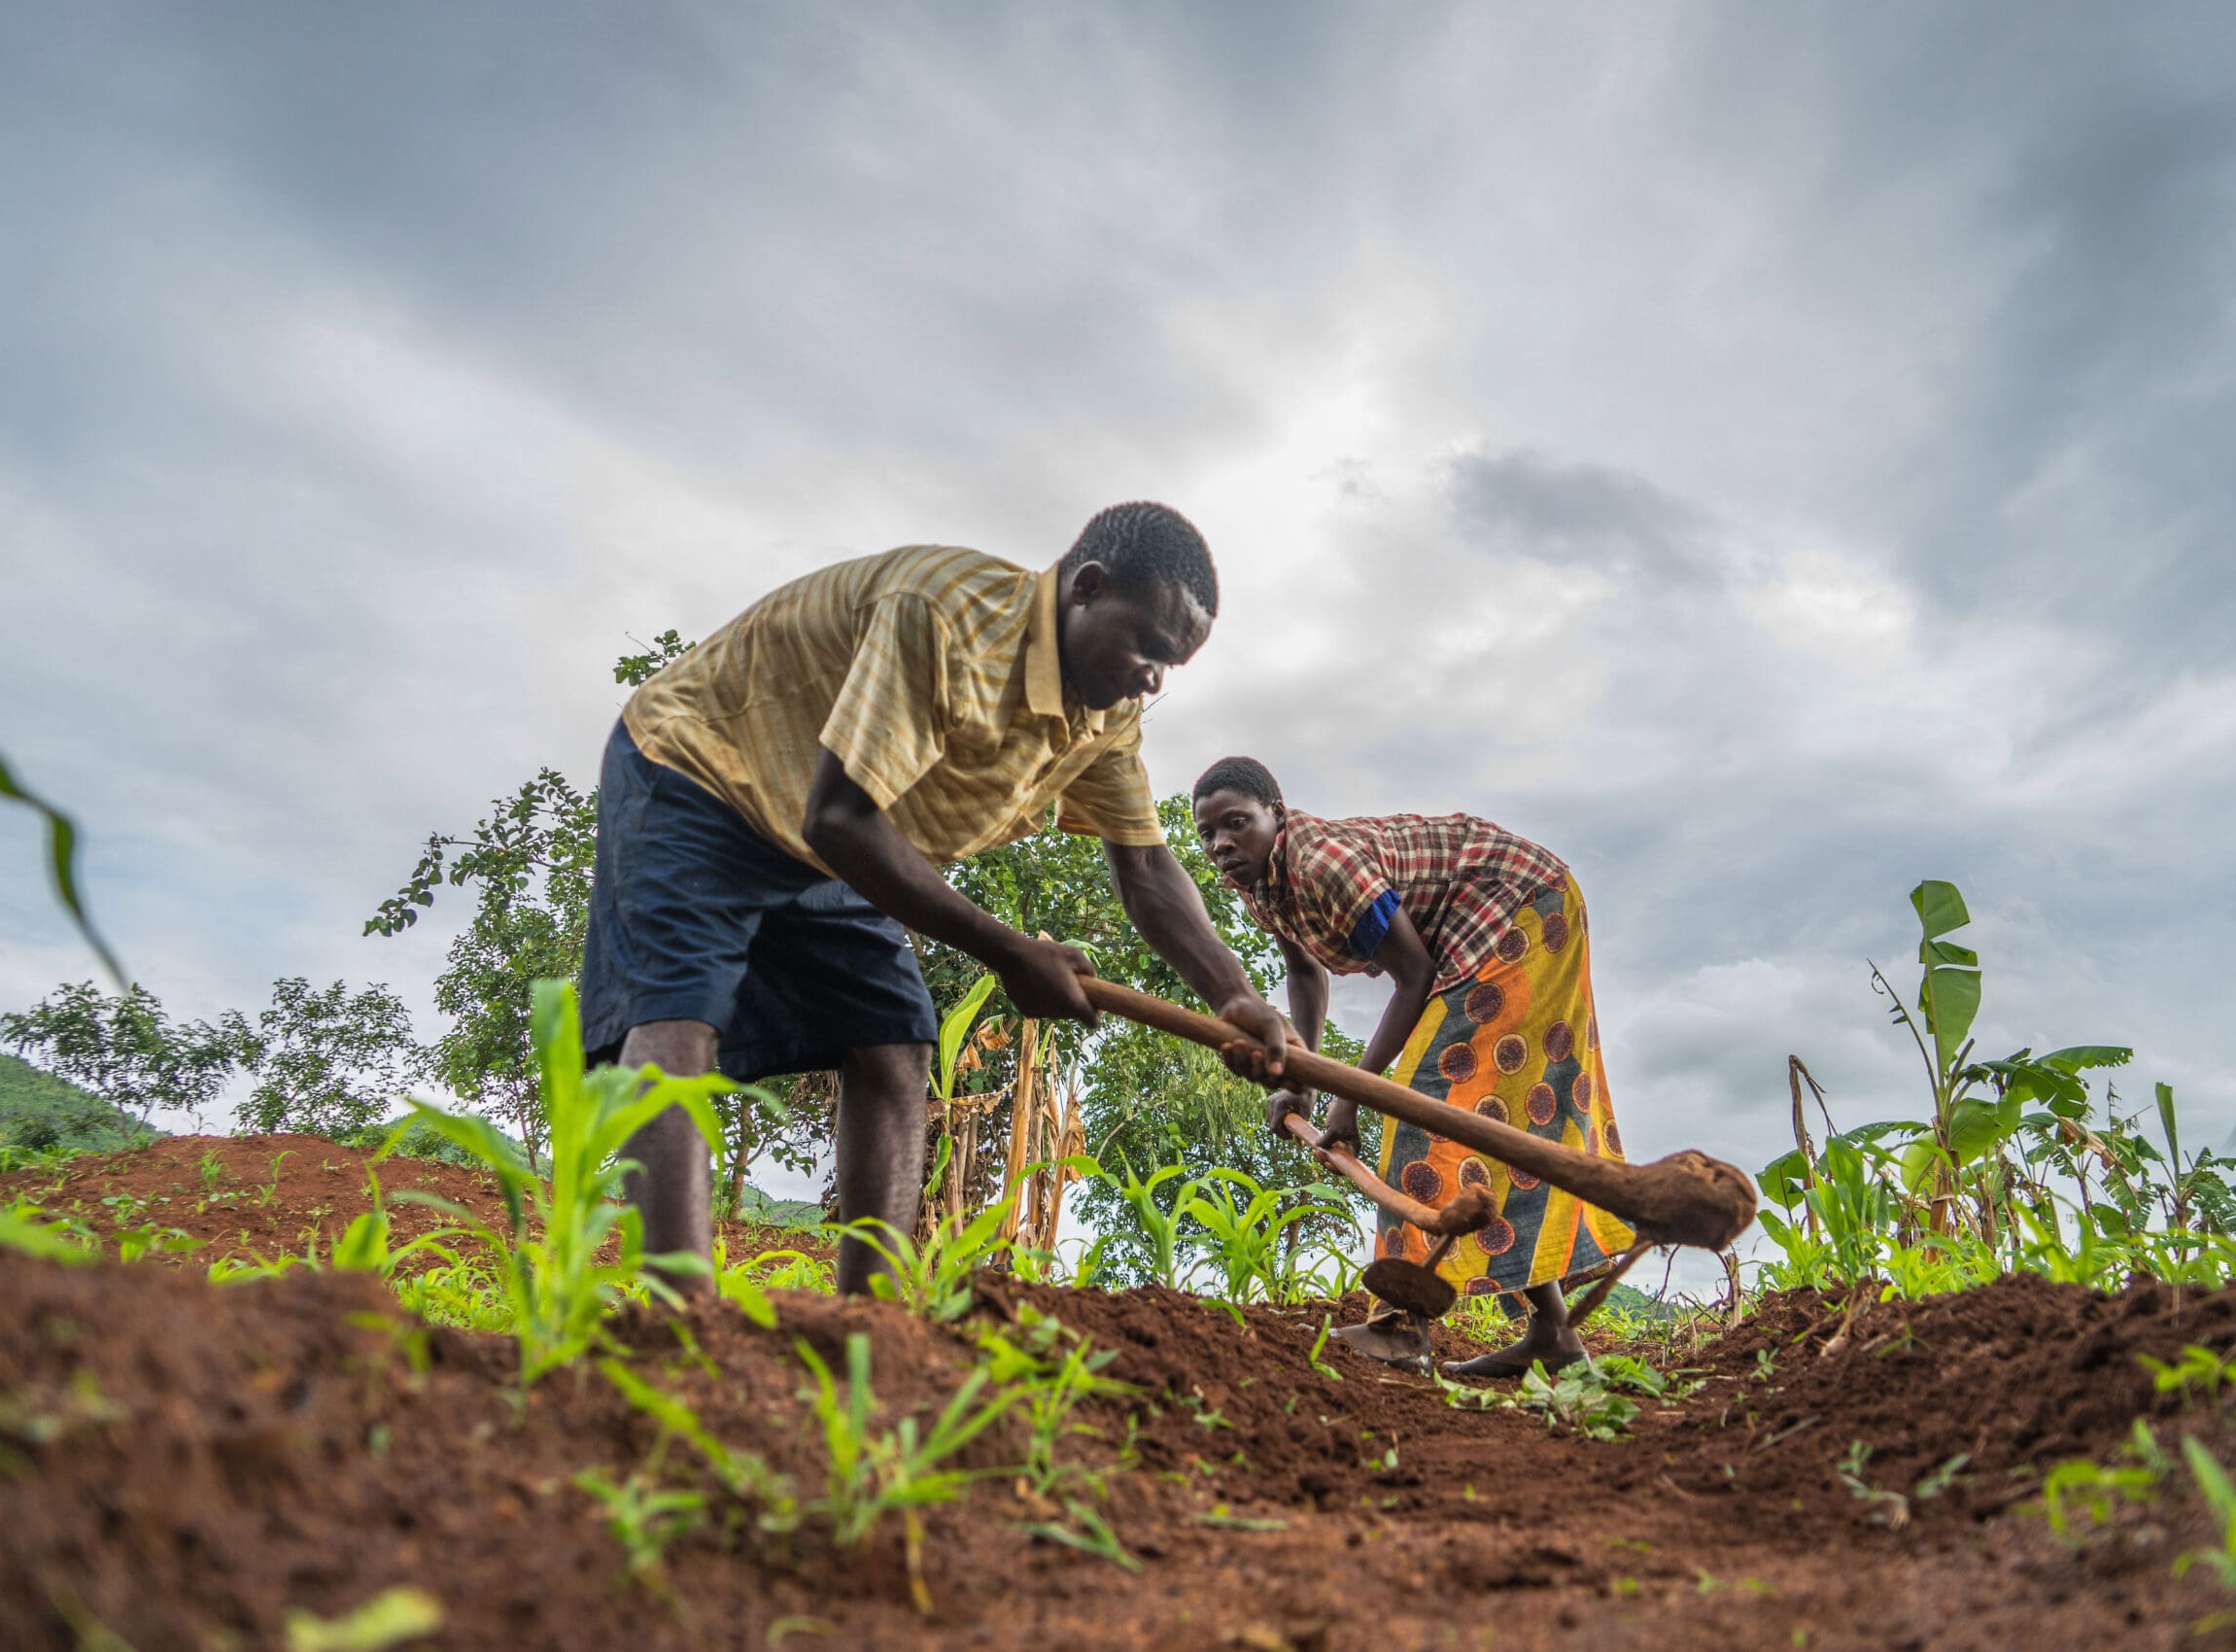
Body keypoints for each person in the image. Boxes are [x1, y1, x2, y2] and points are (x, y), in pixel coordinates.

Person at [580, 503, 1288, 1297]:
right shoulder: (947, 618)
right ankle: (676, 1316)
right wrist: (1010, 951)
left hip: (822, 836)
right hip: (702, 772)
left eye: (1171, 666)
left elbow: (1147, 868)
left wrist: (1234, 995)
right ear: (1087, 588)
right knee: (679, 1015)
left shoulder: (1104, 715)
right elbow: (843, 815)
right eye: (1148, 647)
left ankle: (870, 1318)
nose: (1153, 678)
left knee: (893, 1037)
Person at [1190, 756, 1632, 1377]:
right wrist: (1306, 1080)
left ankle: (1400, 1328)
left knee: (1419, 1109)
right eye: (1208, 834)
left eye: (1237, 823)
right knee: (1488, 1125)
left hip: (1521, 909)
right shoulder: (1259, 883)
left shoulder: (1323, 866)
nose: (1222, 843)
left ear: (1278, 815)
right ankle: (1554, 1333)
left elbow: (1413, 973)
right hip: (1487, 928)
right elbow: (1303, 972)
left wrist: (1351, 1097)